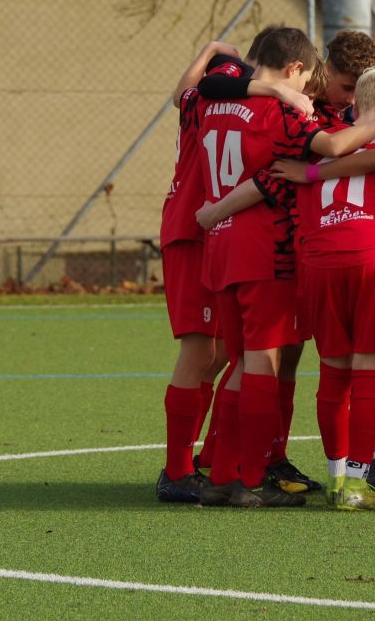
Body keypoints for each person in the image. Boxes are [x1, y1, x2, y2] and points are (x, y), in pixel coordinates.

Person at [193, 27, 375, 508]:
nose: (308, 89)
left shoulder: (213, 102)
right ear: (295, 69)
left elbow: (197, 88)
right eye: (306, 78)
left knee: (239, 361)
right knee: (261, 361)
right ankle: (251, 477)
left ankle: (224, 472)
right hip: (263, 246)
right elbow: (330, 148)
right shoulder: (282, 112)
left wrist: (215, 211)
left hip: (220, 245)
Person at [155, 40, 238, 504]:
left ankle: (193, 459)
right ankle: (176, 470)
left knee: (221, 350)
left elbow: (180, 92)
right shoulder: (219, 101)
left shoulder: (197, 100)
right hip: (193, 231)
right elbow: (187, 92)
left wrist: (208, 50)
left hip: (210, 232)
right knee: (200, 349)